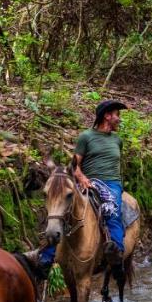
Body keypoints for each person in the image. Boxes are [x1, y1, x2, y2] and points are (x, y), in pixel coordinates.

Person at [33, 99, 129, 274]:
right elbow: (75, 165)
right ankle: (47, 256)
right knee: (62, 212)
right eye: (117, 115)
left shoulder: (117, 140)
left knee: (112, 213)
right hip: (89, 181)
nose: (119, 119)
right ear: (107, 116)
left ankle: (117, 254)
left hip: (111, 183)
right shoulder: (86, 137)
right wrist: (83, 178)